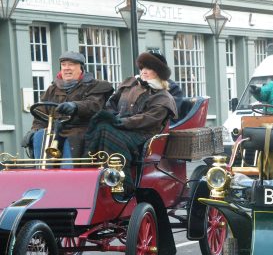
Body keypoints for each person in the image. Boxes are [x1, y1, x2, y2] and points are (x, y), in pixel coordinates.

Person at [85, 51, 177, 193]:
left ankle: (123, 184)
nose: (144, 71)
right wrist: (112, 116)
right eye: (142, 68)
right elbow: (111, 104)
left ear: (158, 72)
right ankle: (93, 173)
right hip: (121, 127)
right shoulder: (130, 84)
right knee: (101, 126)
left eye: (149, 68)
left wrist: (120, 122)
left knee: (108, 131)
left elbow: (148, 119)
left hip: (142, 134)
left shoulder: (163, 97)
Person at [30, 51, 113, 161]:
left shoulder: (96, 85)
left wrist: (75, 106)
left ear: (81, 68)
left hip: (82, 130)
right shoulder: (52, 89)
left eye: (71, 64)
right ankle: (41, 173)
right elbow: (40, 114)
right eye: (64, 65)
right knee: (39, 136)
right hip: (55, 131)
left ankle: (68, 172)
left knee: (72, 140)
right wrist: (35, 129)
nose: (66, 68)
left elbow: (94, 105)